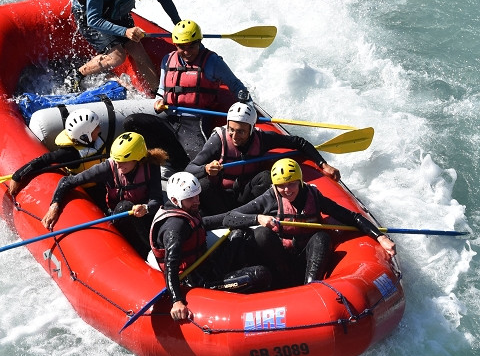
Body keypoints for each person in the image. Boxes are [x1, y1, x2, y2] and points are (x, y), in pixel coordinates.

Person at [223, 158, 396, 288]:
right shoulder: (270, 198)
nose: (287, 190)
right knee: (261, 233)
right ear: (275, 186)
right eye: (282, 186)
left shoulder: (313, 196)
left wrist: (380, 237)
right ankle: (283, 280)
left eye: (291, 184)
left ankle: (311, 286)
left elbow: (351, 217)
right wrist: (257, 218)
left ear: (299, 182)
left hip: (305, 259)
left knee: (321, 237)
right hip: (279, 260)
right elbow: (229, 217)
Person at [123, 19, 250, 172]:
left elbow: (237, 87)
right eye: (182, 47)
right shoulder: (168, 59)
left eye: (192, 45)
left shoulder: (212, 62)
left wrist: (248, 111)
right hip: (170, 119)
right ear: (175, 45)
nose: (187, 51)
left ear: (199, 42)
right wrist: (158, 100)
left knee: (200, 166)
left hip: (196, 122)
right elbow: (163, 89)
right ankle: (169, 161)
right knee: (132, 122)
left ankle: (179, 164)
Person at [149, 172, 272, 322]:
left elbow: (212, 221)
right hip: (197, 282)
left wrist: (255, 218)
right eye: (191, 198)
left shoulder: (187, 210)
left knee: (241, 233)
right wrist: (176, 300)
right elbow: (171, 265)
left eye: (197, 196)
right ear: (175, 200)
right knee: (260, 274)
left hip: (206, 265)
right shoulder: (175, 228)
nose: (197, 201)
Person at [186, 101, 342, 214]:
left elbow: (298, 142)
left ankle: (247, 214)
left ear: (252, 129)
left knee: (266, 177)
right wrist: (206, 169)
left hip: (247, 197)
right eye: (231, 129)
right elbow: (189, 170)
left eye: (241, 131)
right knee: (204, 184)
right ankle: (223, 218)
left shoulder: (262, 139)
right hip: (220, 196)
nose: (234, 136)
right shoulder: (218, 140)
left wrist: (323, 164)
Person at [40, 132, 167, 256]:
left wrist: (146, 208)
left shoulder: (151, 166)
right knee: (125, 205)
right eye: (116, 161)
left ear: (138, 159)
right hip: (119, 215)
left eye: (123, 162)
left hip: (144, 214)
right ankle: (147, 252)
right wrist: (54, 205)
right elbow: (67, 182)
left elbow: (156, 199)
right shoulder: (107, 168)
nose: (118, 165)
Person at [7, 109, 108, 200]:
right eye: (96, 127)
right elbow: (44, 159)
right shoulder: (70, 153)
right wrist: (17, 176)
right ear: (85, 135)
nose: (99, 129)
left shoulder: (95, 140)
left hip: (105, 181)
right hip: (89, 191)